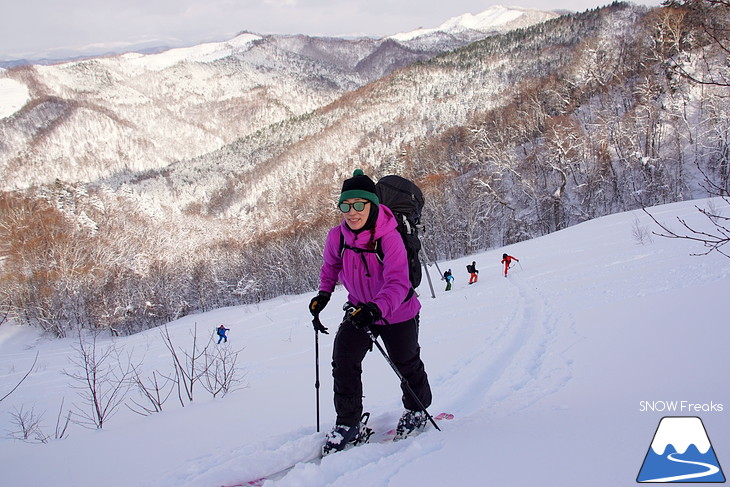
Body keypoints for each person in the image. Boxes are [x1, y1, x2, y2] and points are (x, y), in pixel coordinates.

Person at [309, 169, 433, 454]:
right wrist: (323, 294)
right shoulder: (337, 236)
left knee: (406, 362)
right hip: (359, 309)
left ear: (372, 204)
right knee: (343, 361)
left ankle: (416, 410)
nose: (351, 212)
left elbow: (399, 282)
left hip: (397, 311)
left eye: (359, 205)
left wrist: (376, 309)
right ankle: (348, 424)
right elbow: (330, 267)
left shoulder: (389, 238)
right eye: (345, 205)